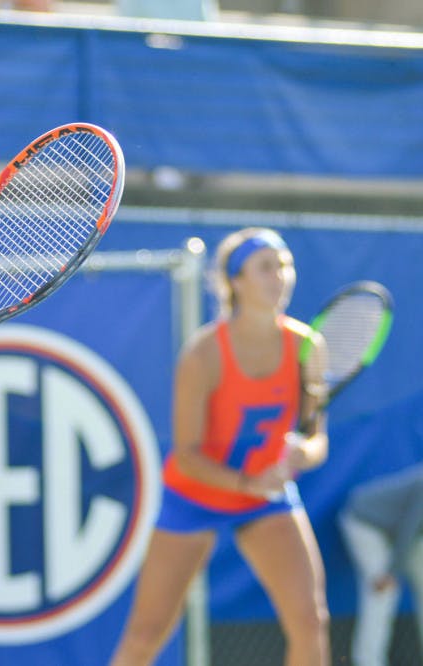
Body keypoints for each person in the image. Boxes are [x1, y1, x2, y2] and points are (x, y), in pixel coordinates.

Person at [108, 227, 331, 665]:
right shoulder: (203, 354)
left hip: (267, 499)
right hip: (194, 498)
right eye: (265, 267)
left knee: (310, 621)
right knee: (145, 635)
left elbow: (316, 436)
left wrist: (304, 453)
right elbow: (187, 456)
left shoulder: (308, 346)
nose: (280, 276)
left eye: (285, 265)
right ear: (235, 281)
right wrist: (248, 483)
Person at [338, 462, 423, 666]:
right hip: (365, 522)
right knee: (383, 592)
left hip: (399, 531)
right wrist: (391, 572)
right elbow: (410, 526)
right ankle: (368, 661)